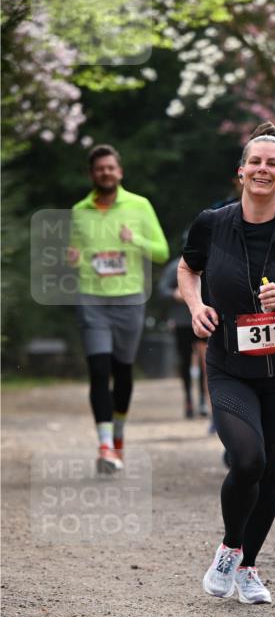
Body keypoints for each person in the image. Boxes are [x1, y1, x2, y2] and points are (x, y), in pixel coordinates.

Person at [178, 121, 275, 605]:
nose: (263, 169)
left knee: (270, 474)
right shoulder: (212, 223)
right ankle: (229, 548)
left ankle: (247, 568)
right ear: (240, 172)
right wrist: (195, 305)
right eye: (256, 162)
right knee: (248, 459)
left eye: (273, 164)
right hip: (229, 365)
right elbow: (188, 269)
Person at [68, 144, 169, 472]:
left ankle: (119, 436)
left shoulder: (140, 206)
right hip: (91, 299)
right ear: (91, 174)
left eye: (110, 168)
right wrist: (73, 258)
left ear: (120, 172)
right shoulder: (78, 211)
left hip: (129, 300)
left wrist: (135, 240)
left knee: (122, 370)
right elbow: (77, 253)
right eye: (99, 169)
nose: (105, 173)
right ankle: (105, 445)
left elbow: (162, 252)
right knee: (98, 370)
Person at [159, 246, 208, 419]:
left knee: (206, 361)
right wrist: (176, 294)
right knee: (185, 361)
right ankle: (188, 398)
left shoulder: (208, 263)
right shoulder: (175, 267)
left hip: (204, 319)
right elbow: (162, 289)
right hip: (182, 322)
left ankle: (204, 399)